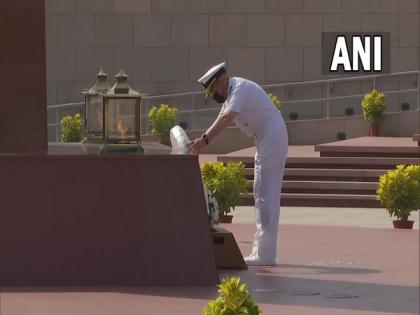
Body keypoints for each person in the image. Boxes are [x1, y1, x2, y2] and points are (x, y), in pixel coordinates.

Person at [188, 62, 288, 266]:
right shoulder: (232, 95)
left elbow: (226, 119)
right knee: (262, 191)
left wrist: (205, 140)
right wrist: (202, 141)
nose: (214, 94)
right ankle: (263, 250)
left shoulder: (239, 88)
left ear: (222, 81)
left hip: (271, 135)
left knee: (265, 193)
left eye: (214, 88)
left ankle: (265, 254)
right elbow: (220, 119)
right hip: (266, 137)